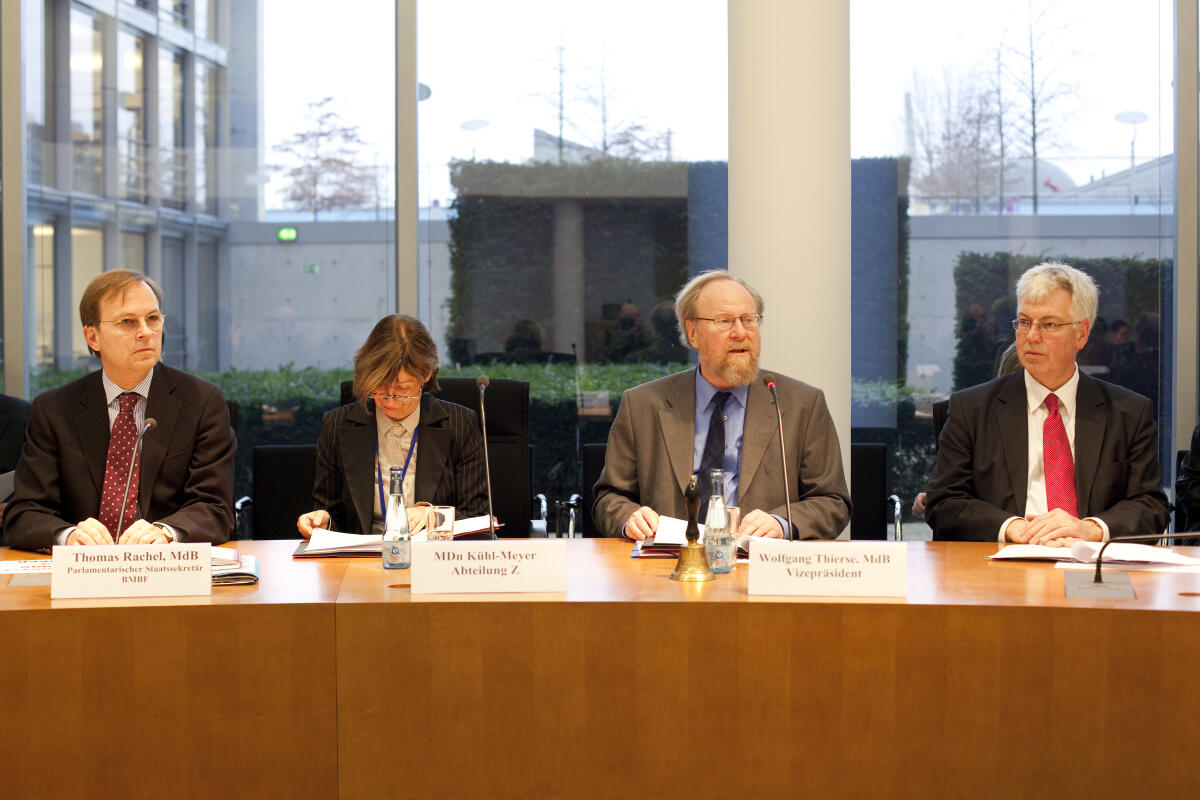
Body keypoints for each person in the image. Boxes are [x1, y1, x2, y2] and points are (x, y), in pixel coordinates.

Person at [592, 270, 851, 540]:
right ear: (692, 333)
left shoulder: (801, 405)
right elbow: (609, 498)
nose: (740, 333)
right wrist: (629, 518)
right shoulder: (642, 405)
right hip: (669, 566)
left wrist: (782, 523)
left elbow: (832, 501)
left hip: (760, 567)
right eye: (725, 321)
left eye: (749, 320)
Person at [926, 262, 1169, 544]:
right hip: (1000, 567)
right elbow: (943, 502)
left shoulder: (1128, 413)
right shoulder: (972, 409)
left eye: (1049, 324)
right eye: (1025, 322)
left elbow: (1151, 505)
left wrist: (1091, 530)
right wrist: (1011, 527)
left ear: (1082, 333)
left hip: (1091, 567)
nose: (1031, 336)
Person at [3, 270, 236, 551]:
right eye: (127, 322)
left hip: (165, 569)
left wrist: (166, 532)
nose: (145, 332)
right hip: (84, 572)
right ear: (93, 337)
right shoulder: (55, 410)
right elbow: (24, 513)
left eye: (152, 318)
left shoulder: (201, 402)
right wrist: (68, 536)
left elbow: (215, 508)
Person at [297, 314, 488, 537]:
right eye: (378, 387)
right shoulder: (338, 425)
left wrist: (432, 515)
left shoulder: (459, 423)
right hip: (361, 558)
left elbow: (477, 514)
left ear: (425, 375)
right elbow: (331, 512)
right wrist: (322, 521)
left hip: (432, 556)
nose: (389, 399)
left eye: (402, 389)